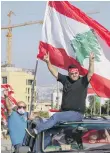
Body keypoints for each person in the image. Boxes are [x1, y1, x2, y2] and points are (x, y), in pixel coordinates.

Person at [26, 52, 94, 137]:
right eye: (72, 74)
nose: (74, 75)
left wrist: (91, 62)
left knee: (56, 116)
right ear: (69, 74)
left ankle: (36, 130)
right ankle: (40, 148)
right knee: (50, 131)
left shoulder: (83, 81)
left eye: (76, 73)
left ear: (78, 73)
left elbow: (90, 73)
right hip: (64, 113)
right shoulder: (66, 80)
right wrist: (48, 62)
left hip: (76, 114)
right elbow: (54, 72)